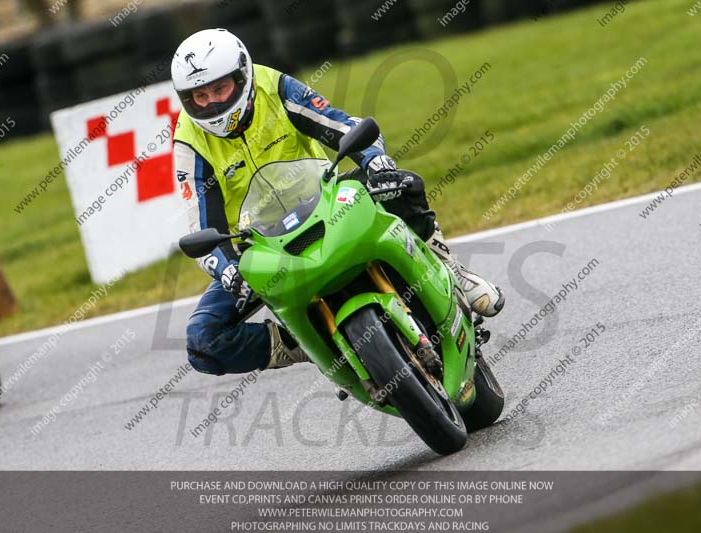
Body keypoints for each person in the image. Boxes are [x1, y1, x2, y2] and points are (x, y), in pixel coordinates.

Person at [172, 29, 503, 375]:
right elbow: (201, 224)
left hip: (325, 202)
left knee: (403, 184)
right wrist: (228, 270)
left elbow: (340, 124)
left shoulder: (275, 87)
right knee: (203, 341)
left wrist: (375, 160)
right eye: (200, 96)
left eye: (220, 89)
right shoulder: (189, 143)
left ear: (243, 76)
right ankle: (304, 343)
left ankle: (451, 271)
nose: (211, 103)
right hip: (259, 246)